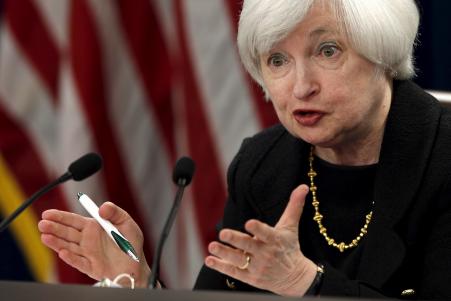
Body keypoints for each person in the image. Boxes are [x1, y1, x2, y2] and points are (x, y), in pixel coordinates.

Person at [38, 0, 451, 299]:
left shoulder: (442, 156)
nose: (301, 86)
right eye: (276, 61)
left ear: (383, 53)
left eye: (328, 51)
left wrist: (309, 285)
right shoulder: (263, 165)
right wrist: (138, 281)